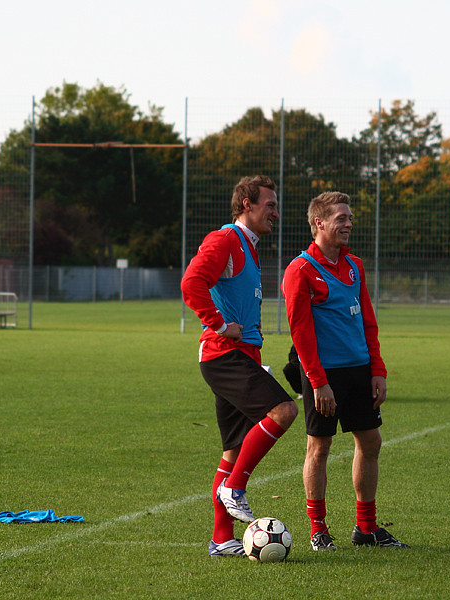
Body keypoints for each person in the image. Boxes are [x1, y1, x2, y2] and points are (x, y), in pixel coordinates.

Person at [282, 191, 408, 551]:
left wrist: (378, 370)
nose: (349, 223)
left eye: (349, 217)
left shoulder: (354, 265)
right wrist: (318, 382)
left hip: (359, 370)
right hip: (324, 374)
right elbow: (301, 333)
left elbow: (368, 320)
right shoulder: (300, 270)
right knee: (319, 447)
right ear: (319, 223)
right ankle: (318, 529)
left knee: (371, 442)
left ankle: (366, 529)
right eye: (341, 217)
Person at [181, 175, 298, 558]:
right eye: (270, 205)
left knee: (233, 448)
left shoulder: (249, 247)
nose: (275, 213)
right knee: (284, 410)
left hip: (242, 356)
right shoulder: (226, 239)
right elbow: (191, 282)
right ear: (246, 204)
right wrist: (217, 322)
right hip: (222, 354)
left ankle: (221, 539)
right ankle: (235, 488)